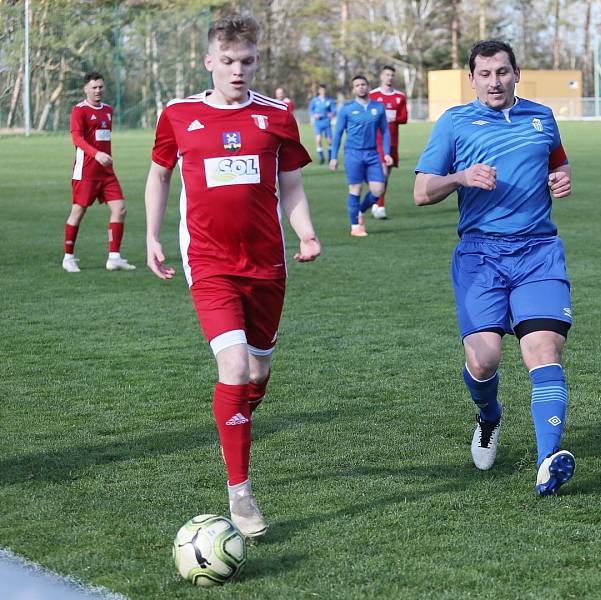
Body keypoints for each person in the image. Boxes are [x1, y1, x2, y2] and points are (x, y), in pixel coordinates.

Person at [143, 15, 321, 538]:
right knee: (235, 366)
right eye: (227, 62)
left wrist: (306, 233)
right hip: (210, 262)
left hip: (267, 264)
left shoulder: (277, 116)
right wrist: (152, 236)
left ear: (256, 61)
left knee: (258, 372)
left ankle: (240, 418)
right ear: (208, 62)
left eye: (246, 61)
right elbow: (158, 175)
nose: (237, 71)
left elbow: (291, 188)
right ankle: (240, 492)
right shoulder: (178, 114)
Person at [414, 40, 575, 497]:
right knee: (484, 360)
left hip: (539, 252)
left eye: (502, 72)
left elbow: (557, 163)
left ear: (516, 73)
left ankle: (547, 463)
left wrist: (561, 178)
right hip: (481, 256)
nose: (494, 82)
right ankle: (489, 416)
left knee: (544, 350)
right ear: (472, 79)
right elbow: (422, 191)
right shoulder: (455, 123)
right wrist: (460, 178)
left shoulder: (542, 116)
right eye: (485, 74)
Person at [63, 71, 135, 273]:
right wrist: (97, 155)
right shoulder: (79, 111)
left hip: (106, 173)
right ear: (86, 88)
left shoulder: (108, 110)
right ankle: (68, 257)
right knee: (78, 212)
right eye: (94, 87)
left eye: (100, 87)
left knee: (120, 209)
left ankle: (114, 257)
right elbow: (77, 139)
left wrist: (104, 158)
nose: (97, 91)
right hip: (85, 172)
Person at [330, 75, 392, 237]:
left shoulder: (378, 107)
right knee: (355, 189)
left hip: (372, 154)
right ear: (353, 89)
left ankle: (359, 211)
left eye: (363, 84)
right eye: (357, 85)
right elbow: (337, 134)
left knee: (378, 190)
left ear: (368, 86)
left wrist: (386, 153)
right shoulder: (346, 109)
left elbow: (385, 131)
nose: (360, 87)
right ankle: (355, 226)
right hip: (353, 154)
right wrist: (334, 157)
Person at [368, 65, 408, 220]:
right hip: (375, 140)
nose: (389, 77)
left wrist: (393, 118)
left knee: (386, 175)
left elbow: (404, 118)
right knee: (382, 173)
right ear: (381, 76)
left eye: (392, 75)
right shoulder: (372, 95)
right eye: (387, 74)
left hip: (392, 141)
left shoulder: (400, 97)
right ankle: (379, 205)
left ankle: (376, 202)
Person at [308, 84, 336, 164]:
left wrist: (332, 113)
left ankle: (330, 157)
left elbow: (334, 110)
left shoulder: (330, 100)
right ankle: (321, 158)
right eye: (321, 90)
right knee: (318, 140)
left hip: (327, 122)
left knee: (329, 141)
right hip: (318, 123)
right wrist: (314, 115)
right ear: (319, 91)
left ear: (325, 91)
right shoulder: (315, 100)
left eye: (324, 90)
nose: (322, 91)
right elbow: (310, 110)